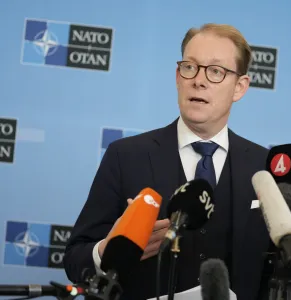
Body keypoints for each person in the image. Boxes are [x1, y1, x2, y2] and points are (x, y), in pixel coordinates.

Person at [64, 23, 272, 300]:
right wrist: (107, 250)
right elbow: (75, 260)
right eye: (190, 67)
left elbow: (278, 276)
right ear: (178, 76)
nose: (199, 80)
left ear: (240, 87)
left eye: (215, 71)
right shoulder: (125, 155)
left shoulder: (264, 167)